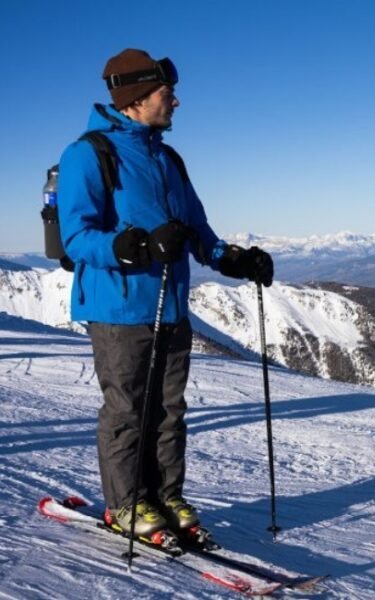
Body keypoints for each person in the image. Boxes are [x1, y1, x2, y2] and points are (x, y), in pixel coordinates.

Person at [58, 48, 274, 539]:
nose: (175, 102)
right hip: (119, 308)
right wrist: (133, 246)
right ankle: (126, 505)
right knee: (128, 411)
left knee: (170, 411)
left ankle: (165, 495)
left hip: (171, 306)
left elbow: (198, 231)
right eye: (166, 93)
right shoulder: (89, 154)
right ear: (135, 99)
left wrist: (236, 260)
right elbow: (76, 236)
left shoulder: (167, 157)